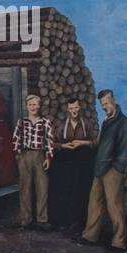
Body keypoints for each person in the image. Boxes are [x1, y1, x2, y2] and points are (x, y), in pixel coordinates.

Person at [74, 89, 127, 253]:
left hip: (112, 170)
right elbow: (99, 144)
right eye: (102, 104)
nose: (104, 106)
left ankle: (119, 242)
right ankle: (90, 236)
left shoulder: (123, 122)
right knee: (95, 203)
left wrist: (117, 167)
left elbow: (125, 148)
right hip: (100, 168)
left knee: (114, 206)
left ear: (113, 100)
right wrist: (83, 143)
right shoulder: (106, 121)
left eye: (106, 103)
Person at [48, 97, 97, 232]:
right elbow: (53, 143)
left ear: (79, 108)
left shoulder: (88, 124)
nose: (74, 111)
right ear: (67, 110)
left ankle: (81, 222)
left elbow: (96, 142)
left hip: (83, 163)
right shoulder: (62, 126)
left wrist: (83, 143)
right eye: (71, 108)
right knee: (66, 191)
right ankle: (66, 221)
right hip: (67, 163)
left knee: (81, 192)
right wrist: (64, 145)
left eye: (76, 108)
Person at [12, 93, 53, 229]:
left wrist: (48, 157)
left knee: (42, 187)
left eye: (35, 104)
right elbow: (16, 138)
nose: (32, 107)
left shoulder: (45, 122)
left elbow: (49, 141)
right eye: (30, 105)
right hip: (25, 155)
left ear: (39, 106)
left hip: (40, 155)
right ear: (26, 107)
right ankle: (26, 219)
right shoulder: (22, 122)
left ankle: (42, 219)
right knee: (25, 187)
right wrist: (18, 154)